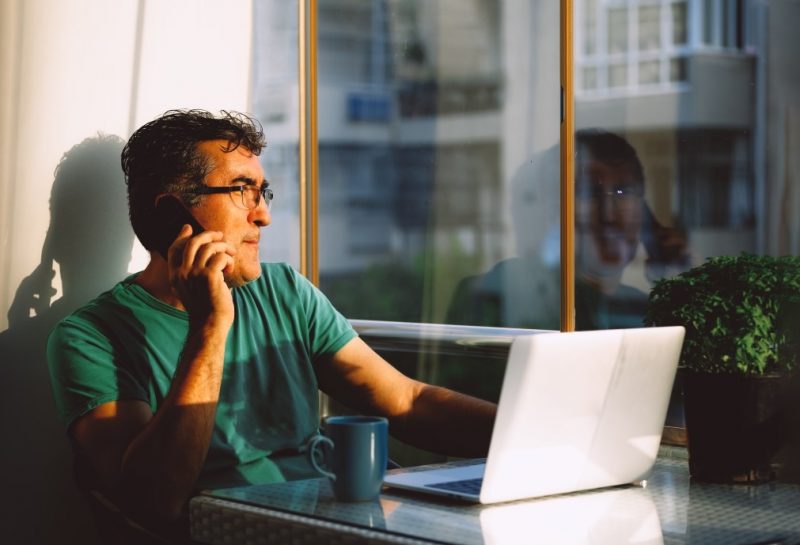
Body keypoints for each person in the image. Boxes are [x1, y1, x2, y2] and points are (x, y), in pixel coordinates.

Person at [46, 110, 496, 533]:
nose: (263, 214)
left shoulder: (284, 291)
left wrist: (533, 434)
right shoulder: (89, 338)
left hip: (336, 519)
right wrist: (208, 326)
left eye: (263, 193)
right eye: (242, 190)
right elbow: (153, 501)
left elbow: (407, 401)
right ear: (171, 215)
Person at [446, 129, 690, 330]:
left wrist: (685, 283)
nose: (609, 213)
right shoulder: (500, 292)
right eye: (590, 193)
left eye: (623, 192)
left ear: (644, 212)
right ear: (554, 210)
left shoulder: (641, 310)